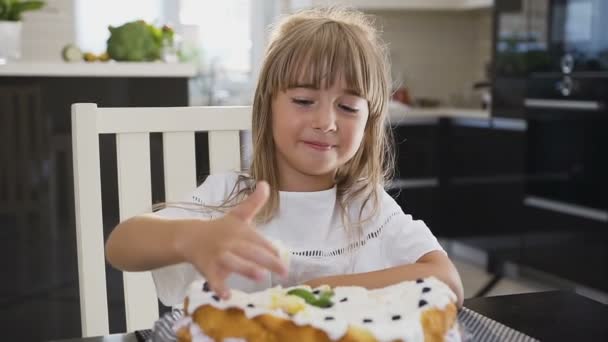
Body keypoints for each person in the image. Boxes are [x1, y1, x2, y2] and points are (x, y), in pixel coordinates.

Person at [105, 7, 464, 308]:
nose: (325, 122)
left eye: (348, 107)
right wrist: (193, 237)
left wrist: (324, 290)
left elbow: (447, 280)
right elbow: (121, 244)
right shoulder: (231, 196)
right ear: (267, 107)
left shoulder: (366, 207)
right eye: (304, 101)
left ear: (369, 122)